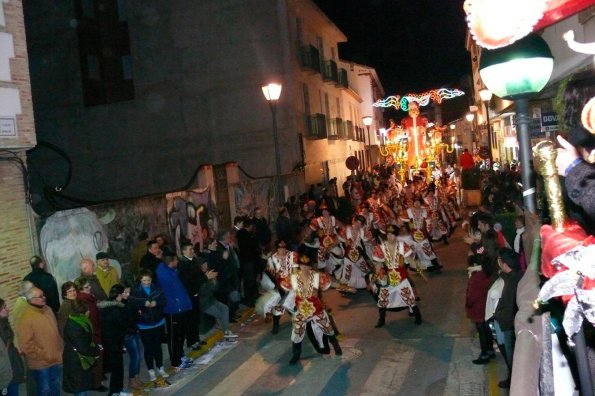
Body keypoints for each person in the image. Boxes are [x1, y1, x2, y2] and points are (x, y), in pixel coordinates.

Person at [282, 255, 341, 365]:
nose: (304, 268)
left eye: (307, 266)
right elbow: (283, 289)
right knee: (297, 332)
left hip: (317, 309)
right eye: (302, 265)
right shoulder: (292, 277)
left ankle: (336, 345)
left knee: (327, 328)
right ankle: (296, 354)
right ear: (299, 265)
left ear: (311, 267)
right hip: (300, 311)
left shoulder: (318, 276)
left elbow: (331, 283)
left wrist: (344, 286)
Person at [16, 287, 64, 396]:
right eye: (40, 296)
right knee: (44, 390)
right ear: (31, 300)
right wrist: (44, 354)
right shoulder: (26, 318)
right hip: (41, 363)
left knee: (56, 388)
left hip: (55, 359)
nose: (44, 297)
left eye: (43, 294)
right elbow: (25, 345)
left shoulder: (48, 309)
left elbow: (56, 332)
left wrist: (60, 350)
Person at [371, 225, 421, 327]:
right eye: (388, 234)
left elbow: (410, 261)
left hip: (402, 278)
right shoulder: (380, 248)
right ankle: (381, 319)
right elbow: (378, 266)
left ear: (396, 236)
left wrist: (418, 268)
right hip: (388, 279)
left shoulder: (403, 246)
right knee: (383, 300)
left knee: (409, 298)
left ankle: (418, 316)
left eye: (392, 235)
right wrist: (374, 279)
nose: (390, 237)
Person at [155, 254, 193, 371]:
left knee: (181, 335)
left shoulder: (171, 271)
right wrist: (177, 305)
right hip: (174, 310)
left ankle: (180, 356)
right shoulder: (164, 276)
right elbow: (169, 294)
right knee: (174, 336)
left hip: (180, 307)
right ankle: (175, 361)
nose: (178, 261)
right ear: (171, 262)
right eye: (176, 260)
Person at [129, 270, 168, 382]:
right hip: (144, 325)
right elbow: (132, 303)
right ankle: (151, 370)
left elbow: (164, 301)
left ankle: (161, 367)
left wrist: (157, 303)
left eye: (148, 280)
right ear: (140, 280)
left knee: (157, 347)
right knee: (148, 348)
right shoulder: (136, 291)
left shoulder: (156, 289)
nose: (146, 282)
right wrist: (143, 304)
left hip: (158, 323)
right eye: (144, 280)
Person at [493, 248, 523, 389]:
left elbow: (508, 306)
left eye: (500, 262)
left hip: (509, 325)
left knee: (512, 358)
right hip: (514, 323)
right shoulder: (518, 276)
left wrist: (497, 316)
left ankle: (513, 383)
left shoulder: (511, 283)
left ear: (505, 265)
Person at [73, 277, 107, 392]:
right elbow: (91, 321)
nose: (90, 288)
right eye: (87, 287)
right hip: (94, 335)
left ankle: (98, 379)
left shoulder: (89, 298)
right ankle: (97, 384)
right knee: (97, 360)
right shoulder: (84, 301)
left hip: (96, 332)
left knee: (98, 360)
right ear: (80, 290)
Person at [62, 299, 101, 396]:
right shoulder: (74, 327)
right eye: (88, 310)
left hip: (80, 359)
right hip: (76, 361)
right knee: (80, 389)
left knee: (84, 386)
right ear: (82, 313)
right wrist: (97, 352)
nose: (89, 311)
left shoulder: (80, 320)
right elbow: (83, 348)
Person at [466, 253, 497, 365]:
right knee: (487, 330)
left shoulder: (477, 277)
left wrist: (469, 304)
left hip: (478, 308)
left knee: (482, 332)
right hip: (487, 307)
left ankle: (484, 354)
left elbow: (472, 295)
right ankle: (490, 351)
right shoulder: (487, 273)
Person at [97, 285, 128, 395]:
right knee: (117, 368)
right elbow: (121, 324)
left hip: (110, 342)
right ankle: (116, 391)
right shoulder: (115, 309)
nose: (125, 295)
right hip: (114, 342)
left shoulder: (106, 307)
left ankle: (117, 390)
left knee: (116, 368)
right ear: (119, 295)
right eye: (123, 293)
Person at [262, 240, 297, 334]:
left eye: (284, 248)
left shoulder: (292, 255)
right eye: (280, 248)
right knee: (279, 306)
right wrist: (276, 275)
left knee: (294, 305)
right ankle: (276, 325)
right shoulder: (272, 259)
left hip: (293, 286)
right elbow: (271, 274)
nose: (282, 250)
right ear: (277, 248)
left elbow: (296, 270)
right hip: (280, 287)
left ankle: (299, 323)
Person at [178, 242, 207, 351]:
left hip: (196, 293)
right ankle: (191, 341)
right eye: (189, 249)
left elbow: (198, 275)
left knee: (196, 318)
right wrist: (204, 277)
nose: (192, 251)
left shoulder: (193, 261)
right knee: (190, 320)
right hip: (189, 295)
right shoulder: (183, 264)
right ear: (184, 251)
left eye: (192, 249)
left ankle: (196, 338)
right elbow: (189, 280)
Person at [120, 283, 144, 390]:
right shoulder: (120, 304)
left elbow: (135, 316)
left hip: (134, 331)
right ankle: (132, 378)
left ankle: (136, 377)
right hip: (127, 333)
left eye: (129, 292)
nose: (127, 294)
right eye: (125, 292)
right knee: (135, 356)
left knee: (138, 355)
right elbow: (126, 320)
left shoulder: (130, 301)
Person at [0, 298, 25, 396]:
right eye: (3, 307)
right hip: (5, 371)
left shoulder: (5, 323)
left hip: (12, 366)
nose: (7, 309)